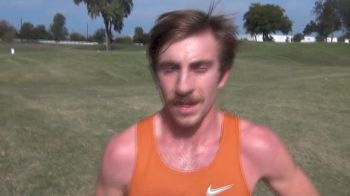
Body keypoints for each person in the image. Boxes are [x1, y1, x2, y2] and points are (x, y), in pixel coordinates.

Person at [95, 8, 319, 196]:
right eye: (170, 68)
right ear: (156, 75)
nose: (183, 86)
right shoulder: (123, 154)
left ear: (222, 75)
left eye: (200, 67)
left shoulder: (257, 146)